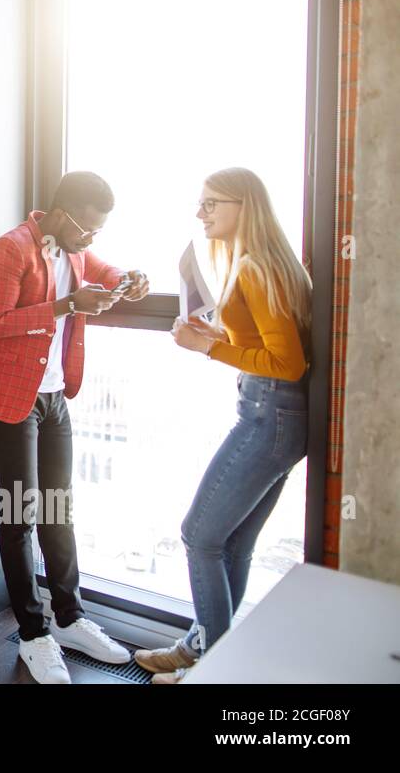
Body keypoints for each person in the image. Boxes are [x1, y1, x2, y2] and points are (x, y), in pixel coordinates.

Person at [0, 171, 151, 684]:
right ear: (63, 214)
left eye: (97, 233)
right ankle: (33, 634)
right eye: (87, 230)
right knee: (20, 515)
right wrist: (68, 304)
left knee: (58, 508)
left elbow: (106, 269)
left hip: (53, 399)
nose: (91, 241)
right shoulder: (12, 249)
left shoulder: (74, 250)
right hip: (10, 400)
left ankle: (70, 618)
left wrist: (126, 279)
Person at [136, 167, 310, 684]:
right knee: (230, 541)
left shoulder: (256, 267)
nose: (200, 213)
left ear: (243, 206)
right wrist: (219, 331)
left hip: (268, 414)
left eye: (211, 204)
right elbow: (266, 341)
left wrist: (209, 346)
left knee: (198, 534)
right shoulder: (262, 263)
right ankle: (203, 647)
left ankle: (211, 663)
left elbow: (289, 364)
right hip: (275, 414)